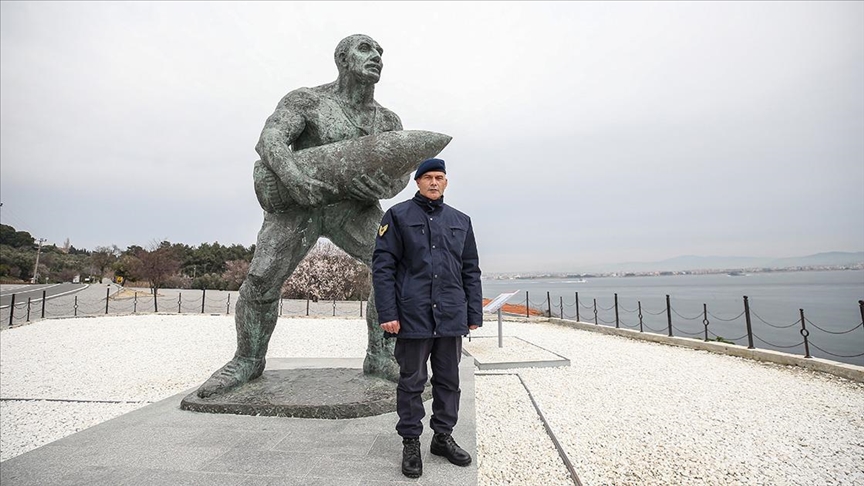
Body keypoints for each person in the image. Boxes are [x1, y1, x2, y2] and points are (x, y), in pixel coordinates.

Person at [197, 34, 407, 398]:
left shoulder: (387, 121)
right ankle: (247, 360)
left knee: (394, 264)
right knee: (261, 280)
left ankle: (381, 355)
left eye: (379, 51)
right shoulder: (307, 100)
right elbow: (270, 139)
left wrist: (385, 188)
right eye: (365, 48)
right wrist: (294, 179)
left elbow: (400, 173)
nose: (376, 56)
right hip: (298, 204)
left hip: (353, 208)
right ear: (342, 59)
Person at [372, 158, 483, 478]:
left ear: (446, 182)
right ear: (417, 181)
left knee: (449, 381)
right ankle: (410, 442)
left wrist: (473, 312)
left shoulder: (461, 221)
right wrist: (388, 312)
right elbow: (383, 267)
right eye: (428, 177)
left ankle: (442, 437)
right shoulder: (397, 216)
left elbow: (470, 270)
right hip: (413, 315)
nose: (434, 182)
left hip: (450, 315)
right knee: (412, 382)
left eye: (440, 177)